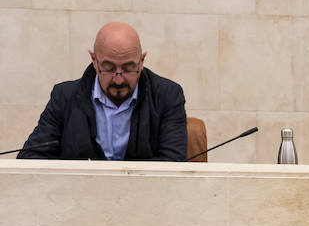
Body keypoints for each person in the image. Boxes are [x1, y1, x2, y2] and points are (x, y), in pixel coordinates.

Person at [19, 22, 187, 160]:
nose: (118, 79)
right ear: (94, 61)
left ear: (141, 62)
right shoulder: (64, 97)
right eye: (108, 68)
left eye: (128, 68)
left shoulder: (168, 96)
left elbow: (173, 163)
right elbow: (31, 157)